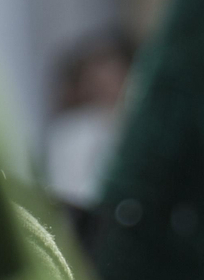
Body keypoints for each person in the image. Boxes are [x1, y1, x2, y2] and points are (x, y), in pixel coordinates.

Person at [43, 28, 136, 206]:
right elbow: (69, 194)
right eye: (98, 82)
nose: (107, 89)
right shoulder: (71, 134)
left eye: (115, 79)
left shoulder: (143, 127)